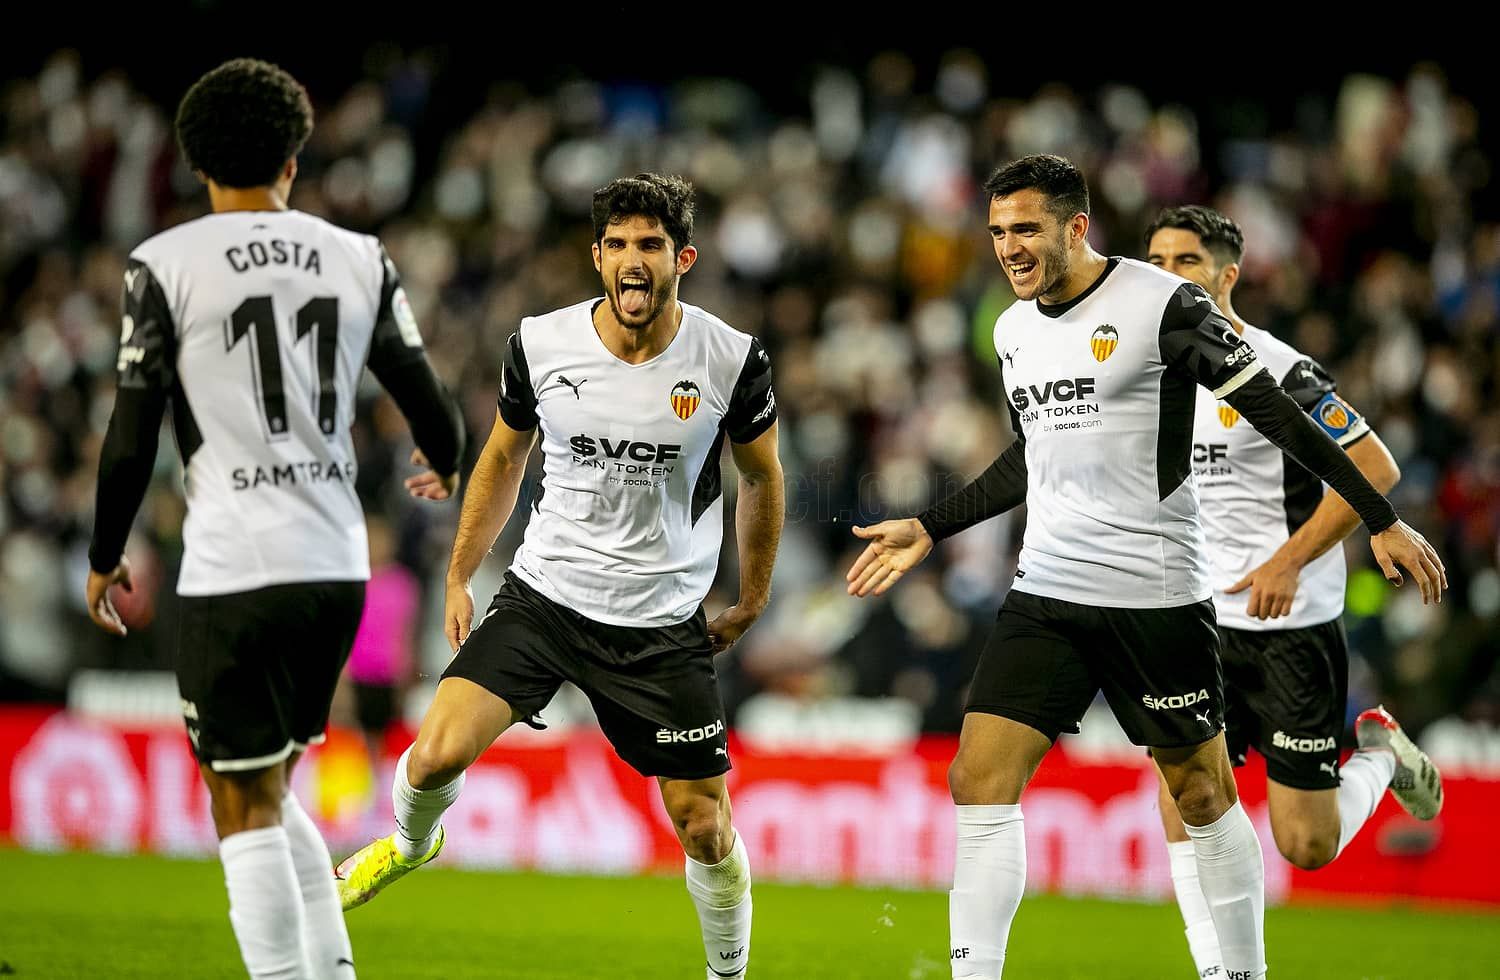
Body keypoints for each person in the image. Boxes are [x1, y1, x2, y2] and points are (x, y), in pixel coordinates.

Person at [845, 154, 1446, 980]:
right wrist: (930, 525)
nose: (1009, 247)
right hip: (1047, 589)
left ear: (1076, 227)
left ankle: (1243, 972)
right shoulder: (1011, 330)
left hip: (1155, 595)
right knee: (977, 778)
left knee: (1204, 797)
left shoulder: (1162, 305)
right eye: (997, 231)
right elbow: (1032, 456)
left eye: (1026, 228)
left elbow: (1277, 416)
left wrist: (1379, 519)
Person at [334, 173, 783, 980]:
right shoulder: (540, 343)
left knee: (705, 827)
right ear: (597, 257)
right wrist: (460, 572)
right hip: (545, 599)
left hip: (659, 623)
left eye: (651, 245)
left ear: (682, 258)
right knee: (434, 755)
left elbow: (762, 477)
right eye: (618, 245)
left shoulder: (731, 358)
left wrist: (752, 597)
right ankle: (409, 843)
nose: (633, 260)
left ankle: (728, 975)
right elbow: (504, 457)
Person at [84, 58, 465, 980]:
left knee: (239, 801)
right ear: (295, 157)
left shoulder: (164, 263)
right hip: (334, 568)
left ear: (194, 161)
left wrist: (104, 551)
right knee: (269, 784)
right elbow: (432, 407)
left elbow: (132, 431)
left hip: (235, 562)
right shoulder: (358, 256)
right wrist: (444, 459)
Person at [1144, 205, 1443, 977]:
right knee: (1184, 797)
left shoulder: (1278, 367)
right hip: (1197, 620)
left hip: (1291, 627)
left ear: (1227, 276)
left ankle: (1379, 756)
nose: (1166, 276)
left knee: (1306, 845)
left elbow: (1375, 466)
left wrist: (1288, 560)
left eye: (1185, 262)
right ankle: (1221, 970)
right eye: (1156, 261)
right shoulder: (1148, 371)